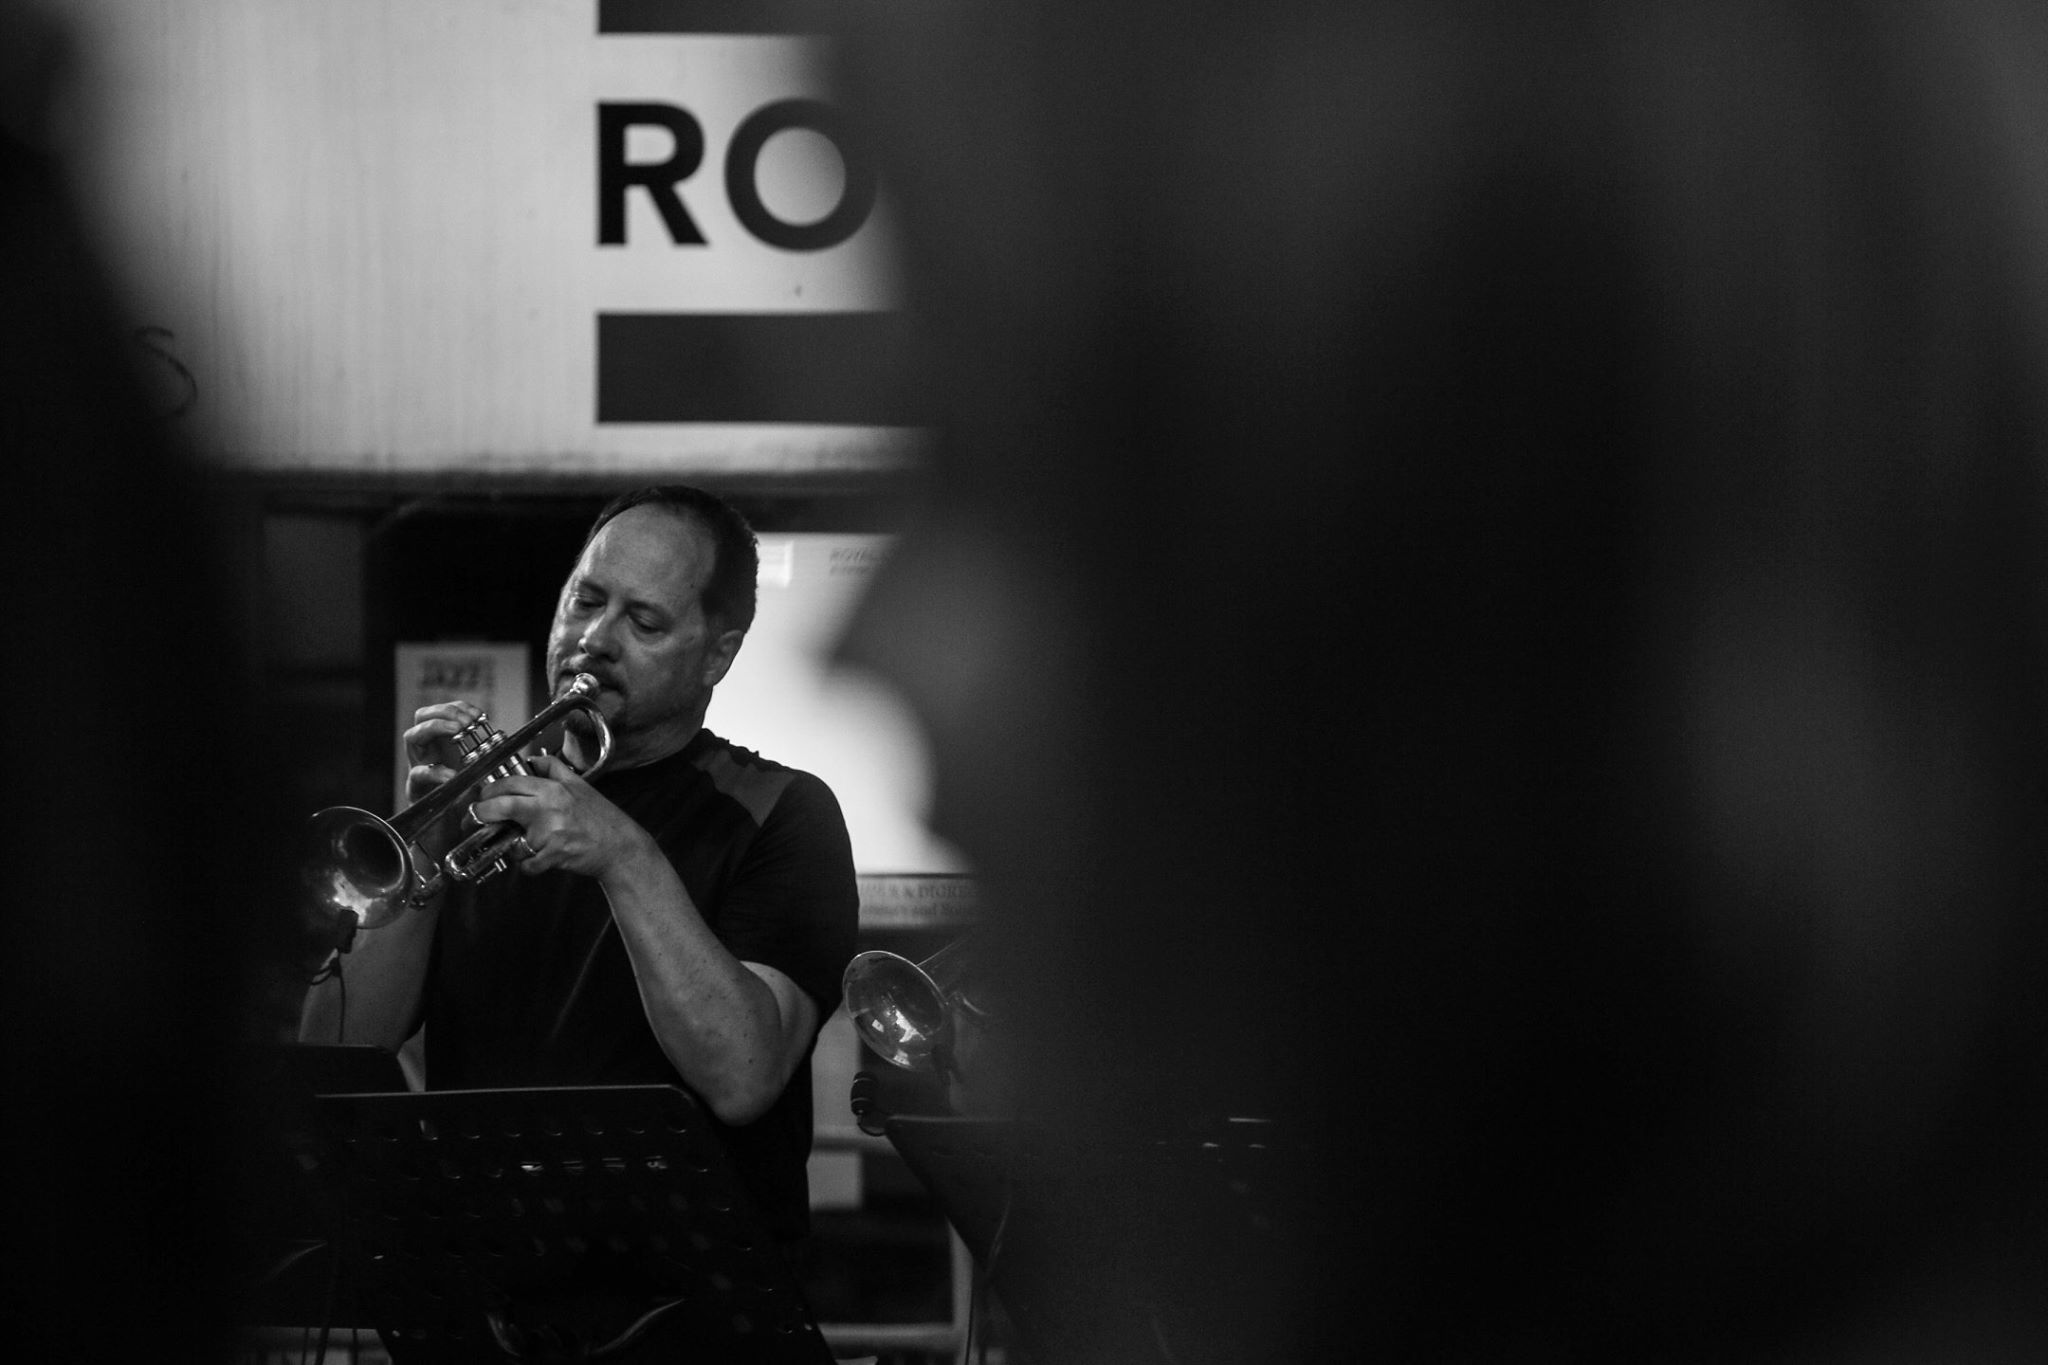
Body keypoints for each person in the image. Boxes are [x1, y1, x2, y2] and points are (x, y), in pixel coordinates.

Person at [300, 485, 860, 1253]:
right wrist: (423, 843)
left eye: (643, 621)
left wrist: (624, 855)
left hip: (683, 1293)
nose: (594, 638)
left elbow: (744, 1074)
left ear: (717, 654)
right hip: (487, 1275)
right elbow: (334, 1052)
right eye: (585, 600)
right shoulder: (485, 803)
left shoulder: (784, 812)